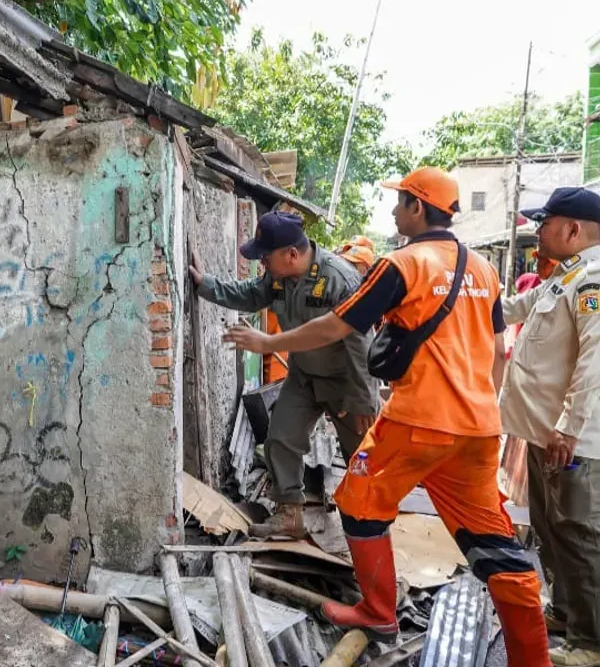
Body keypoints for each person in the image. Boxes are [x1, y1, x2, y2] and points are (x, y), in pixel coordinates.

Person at [224, 166, 549, 666]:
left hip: (418, 419)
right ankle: (533, 659)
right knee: (495, 545)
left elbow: (336, 326)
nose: (394, 211)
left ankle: (378, 610)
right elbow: (499, 350)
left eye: (399, 202)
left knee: (357, 500)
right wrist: (484, 406)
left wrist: (269, 342)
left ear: (418, 207)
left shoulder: (404, 264)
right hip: (480, 427)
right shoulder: (482, 268)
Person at [190, 211, 378, 539]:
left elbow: (363, 347)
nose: (262, 263)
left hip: (345, 381)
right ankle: (290, 514)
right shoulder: (278, 278)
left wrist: (364, 401)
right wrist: (205, 285)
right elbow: (249, 293)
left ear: (291, 254)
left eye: (265, 256)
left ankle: (370, 523)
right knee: (280, 438)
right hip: (304, 375)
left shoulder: (339, 279)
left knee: (361, 454)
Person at [500, 186, 600, 667]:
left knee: (579, 535)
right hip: (545, 436)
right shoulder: (565, 275)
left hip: (575, 441)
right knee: (550, 528)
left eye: (544, 223)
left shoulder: (594, 279)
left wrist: (567, 426)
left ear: (573, 230)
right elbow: (510, 310)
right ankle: (564, 613)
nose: (537, 232)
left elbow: (595, 360)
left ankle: (592, 642)